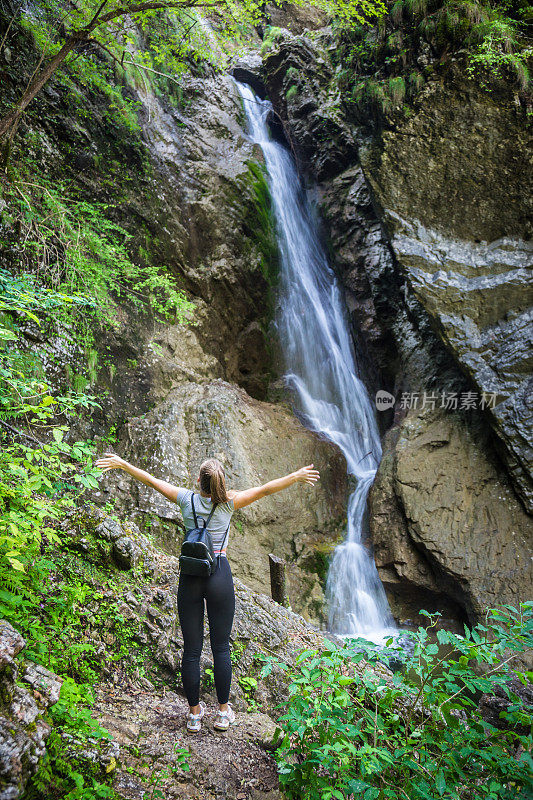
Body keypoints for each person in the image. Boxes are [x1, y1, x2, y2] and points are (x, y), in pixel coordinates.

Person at [95, 452, 320, 733]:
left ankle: (193, 715)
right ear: (220, 481)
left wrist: (125, 464)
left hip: (190, 576)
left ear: (198, 481)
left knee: (191, 650)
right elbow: (266, 489)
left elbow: (152, 480)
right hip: (219, 574)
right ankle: (223, 713)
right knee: (221, 647)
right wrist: (295, 477)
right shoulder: (229, 503)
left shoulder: (185, 499)